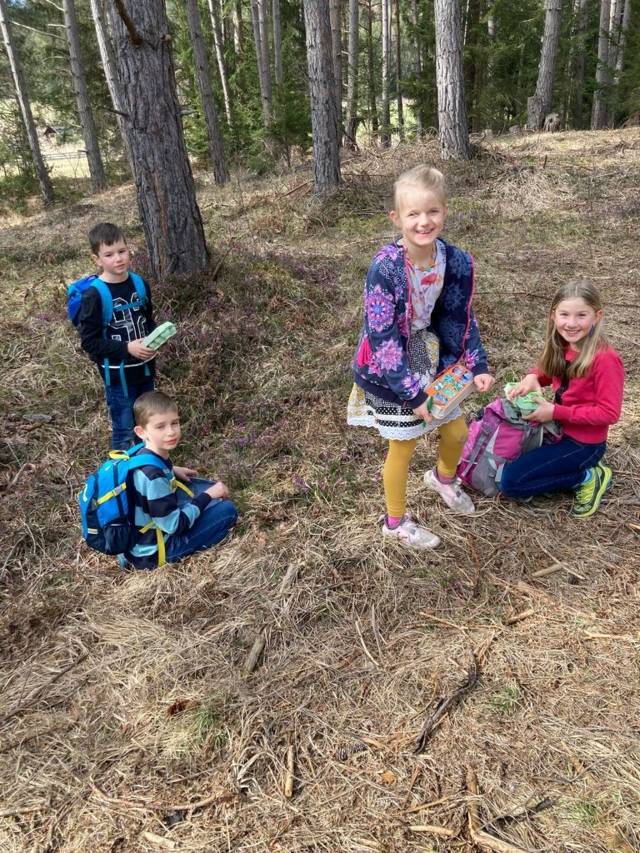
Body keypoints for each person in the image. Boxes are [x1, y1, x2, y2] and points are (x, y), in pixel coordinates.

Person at [347, 165, 494, 549]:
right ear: (396, 218)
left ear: (445, 210)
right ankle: (394, 521)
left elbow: (459, 315)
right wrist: (413, 393)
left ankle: (443, 478)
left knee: (457, 430)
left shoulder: (452, 260)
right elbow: (381, 335)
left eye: (432, 211)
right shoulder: (386, 267)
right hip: (390, 363)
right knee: (404, 444)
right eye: (413, 214)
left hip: (429, 354)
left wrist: (475, 362)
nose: (424, 221)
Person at [500, 280, 624, 517]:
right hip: (556, 431)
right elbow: (546, 371)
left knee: (511, 483)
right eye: (564, 314)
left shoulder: (605, 359)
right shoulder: (563, 345)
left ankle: (588, 476)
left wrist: (555, 412)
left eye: (581, 315)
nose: (571, 323)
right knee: (507, 460)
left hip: (583, 444)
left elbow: (610, 413)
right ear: (553, 315)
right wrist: (532, 377)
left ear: (597, 316)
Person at [124, 391, 238, 569]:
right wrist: (208, 495)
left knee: (201, 486)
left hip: (136, 539)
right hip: (155, 552)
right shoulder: (154, 476)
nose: (171, 432)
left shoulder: (139, 453)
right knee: (227, 510)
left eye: (175, 423)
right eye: (160, 427)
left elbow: (148, 477)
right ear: (141, 432)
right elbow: (175, 526)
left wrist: (171, 470)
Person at [78, 222, 158, 450]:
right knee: (124, 430)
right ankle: (122, 479)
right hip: (118, 378)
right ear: (97, 259)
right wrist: (127, 349)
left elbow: (147, 320)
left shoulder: (139, 284)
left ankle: (148, 472)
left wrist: (154, 339)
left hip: (146, 369)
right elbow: (89, 342)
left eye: (122, 251)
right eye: (109, 254)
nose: (118, 259)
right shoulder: (94, 295)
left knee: (149, 425)